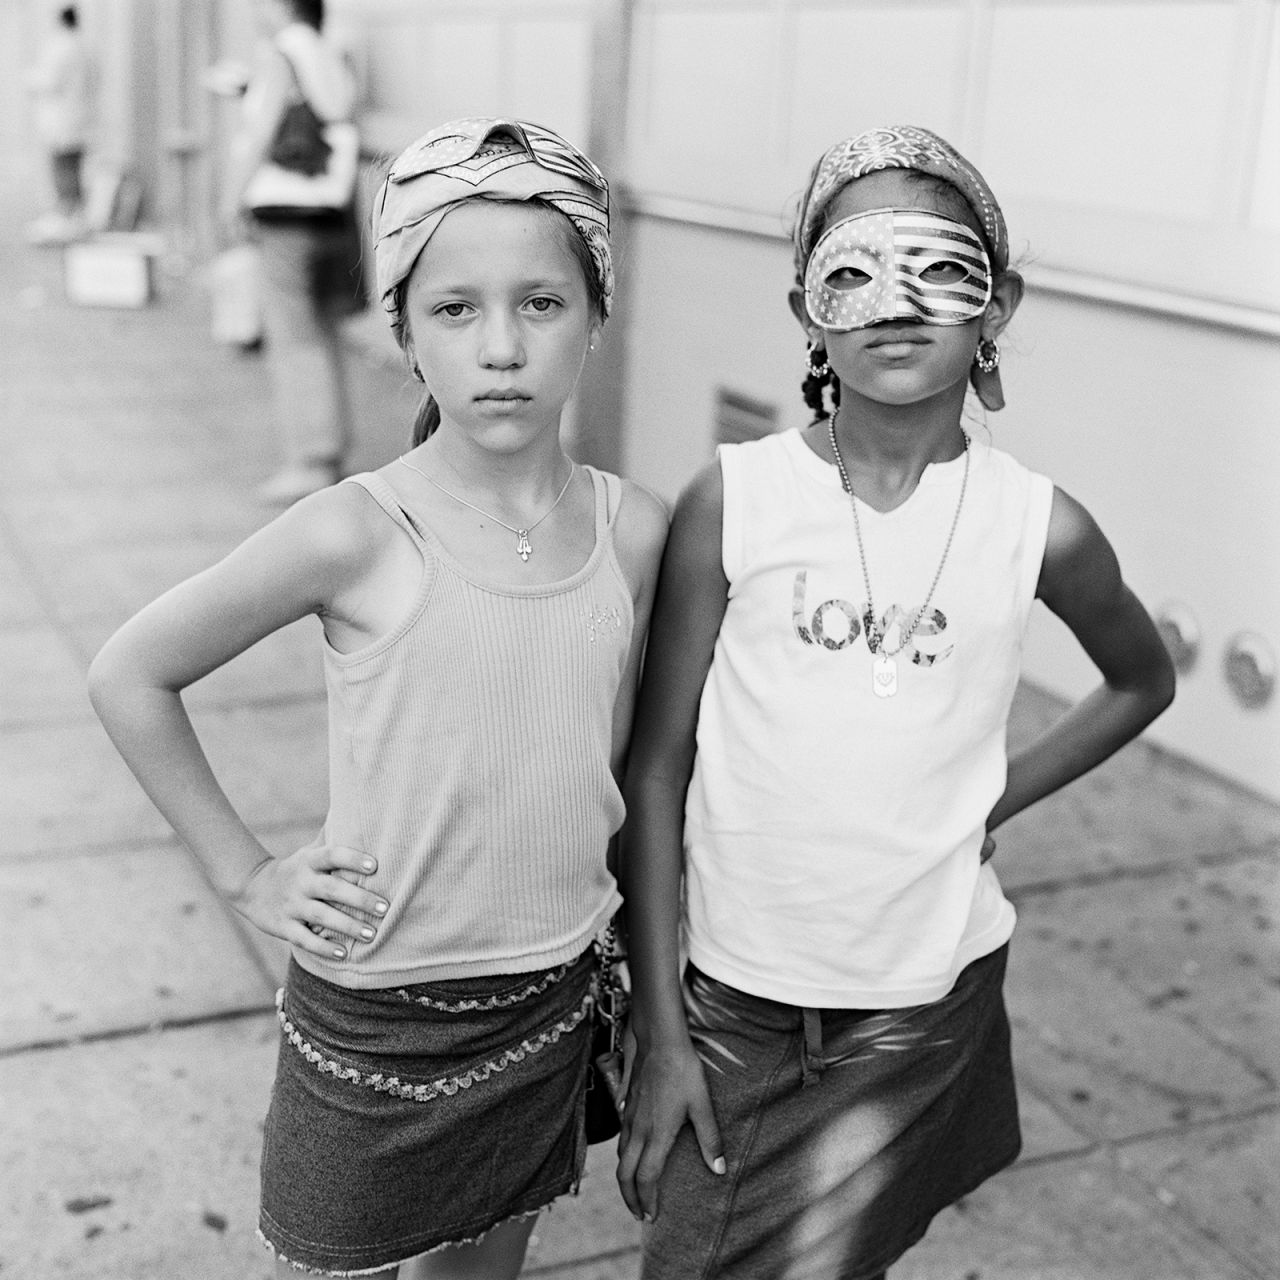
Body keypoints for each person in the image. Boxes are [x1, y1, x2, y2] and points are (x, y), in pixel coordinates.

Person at [88, 116, 667, 1280]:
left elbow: (622, 769)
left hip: (550, 992)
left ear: (595, 315)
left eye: (540, 304)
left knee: (478, 1269)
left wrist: (643, 971)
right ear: (401, 329)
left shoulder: (635, 530)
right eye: (454, 310)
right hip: (382, 1006)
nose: (500, 346)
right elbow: (130, 672)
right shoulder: (357, 528)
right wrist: (245, 869)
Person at [615, 124, 1176, 1280]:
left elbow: (1139, 677)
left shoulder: (1039, 524)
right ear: (805, 306)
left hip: (921, 1008)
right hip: (734, 1004)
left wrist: (989, 798)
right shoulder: (734, 501)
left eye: (937, 267)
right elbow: (657, 761)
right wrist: (660, 1026)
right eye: (852, 271)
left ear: (996, 301)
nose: (892, 302)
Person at [222, 0, 363, 505]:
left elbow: (261, 132)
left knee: (293, 336)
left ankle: (311, 460)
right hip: (329, 209)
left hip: (285, 212)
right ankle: (330, 451)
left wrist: (230, 197)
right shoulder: (330, 50)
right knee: (320, 333)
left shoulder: (282, 52)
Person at [23, 5, 92, 245]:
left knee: (63, 169)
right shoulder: (82, 46)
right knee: (73, 167)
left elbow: (49, 81)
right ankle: (75, 218)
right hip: (77, 117)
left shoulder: (62, 47)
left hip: (62, 118)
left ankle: (66, 219)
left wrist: (29, 78)